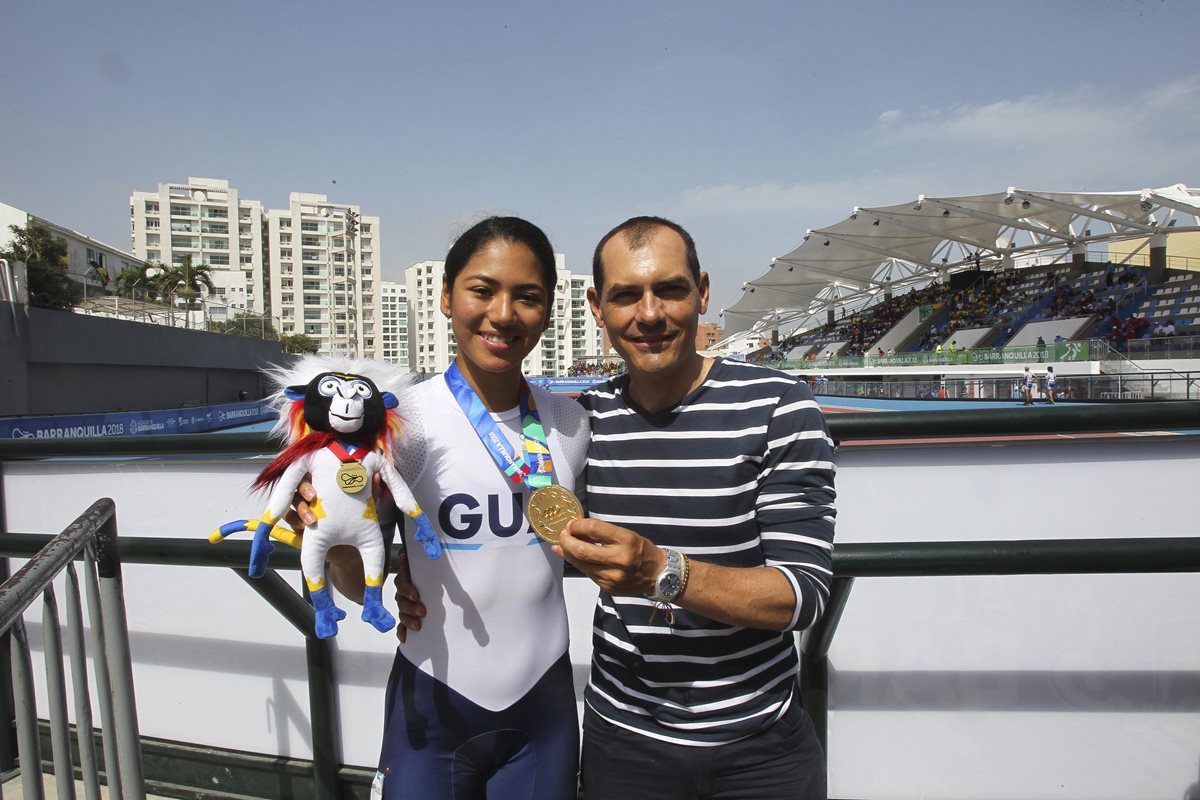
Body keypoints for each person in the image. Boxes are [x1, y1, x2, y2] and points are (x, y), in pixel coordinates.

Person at [308, 217, 590, 799]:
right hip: (431, 704)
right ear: (445, 297)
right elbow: (350, 576)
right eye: (482, 290)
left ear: (548, 310)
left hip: (545, 708)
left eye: (528, 297)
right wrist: (333, 540)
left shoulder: (572, 423)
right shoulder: (395, 425)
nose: (504, 313)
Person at [557, 217, 835, 799]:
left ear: (702, 291)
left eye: (671, 289)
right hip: (622, 740)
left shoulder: (779, 409)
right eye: (626, 295)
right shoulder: (580, 423)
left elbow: (802, 593)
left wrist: (660, 572)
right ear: (596, 307)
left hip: (761, 746)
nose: (650, 314)